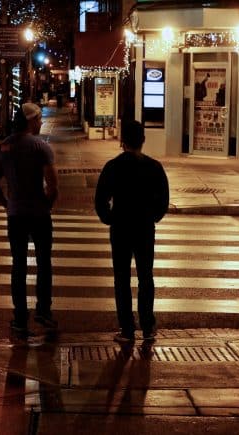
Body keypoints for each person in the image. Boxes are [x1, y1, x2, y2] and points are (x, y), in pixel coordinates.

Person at [0, 102, 59, 340]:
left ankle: (20, 318)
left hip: (16, 214)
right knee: (44, 263)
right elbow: (53, 184)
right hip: (38, 213)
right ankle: (43, 311)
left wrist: (7, 204)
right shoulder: (41, 147)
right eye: (38, 119)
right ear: (31, 120)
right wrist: (46, 205)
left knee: (18, 266)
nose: (40, 123)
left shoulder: (3, 147)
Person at [94, 119, 169, 344]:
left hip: (121, 227)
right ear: (143, 140)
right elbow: (163, 200)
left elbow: (100, 199)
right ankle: (147, 325)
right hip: (144, 227)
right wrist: (152, 216)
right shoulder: (154, 167)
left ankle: (127, 328)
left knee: (122, 278)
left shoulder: (113, 166)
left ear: (122, 140)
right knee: (146, 277)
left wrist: (109, 218)